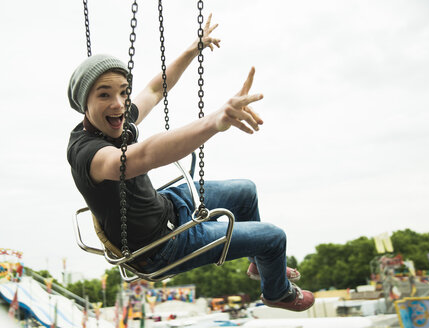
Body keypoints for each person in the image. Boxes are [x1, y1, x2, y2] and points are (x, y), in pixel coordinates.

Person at [67, 15, 314, 311]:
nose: (119, 104)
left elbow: (155, 90)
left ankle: (259, 266)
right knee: (274, 238)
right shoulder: (87, 153)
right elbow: (143, 156)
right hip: (161, 245)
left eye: (123, 92)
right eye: (104, 95)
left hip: (167, 207)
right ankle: (277, 292)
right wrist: (215, 121)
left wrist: (193, 49)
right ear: (85, 103)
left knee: (246, 191)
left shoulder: (115, 120)